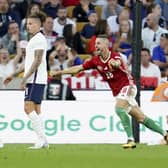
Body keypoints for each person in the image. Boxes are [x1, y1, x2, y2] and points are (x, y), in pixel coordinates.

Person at [51, 34, 168, 148]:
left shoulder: (115, 57)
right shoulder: (95, 61)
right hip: (119, 92)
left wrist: (115, 64)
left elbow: (117, 63)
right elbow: (78, 68)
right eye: (95, 43)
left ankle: (130, 139)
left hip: (128, 86)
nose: (95, 46)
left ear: (106, 45)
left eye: (98, 43)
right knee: (141, 118)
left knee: (119, 108)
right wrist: (60, 73)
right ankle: (165, 134)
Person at [4, 12, 49, 149]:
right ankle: (42, 140)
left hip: (35, 78)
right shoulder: (34, 39)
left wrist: (25, 78)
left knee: (27, 108)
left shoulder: (39, 39)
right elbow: (28, 62)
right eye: (27, 24)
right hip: (36, 78)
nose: (28, 26)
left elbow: (37, 60)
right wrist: (14, 74)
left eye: (30, 24)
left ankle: (42, 139)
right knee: (36, 109)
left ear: (38, 24)